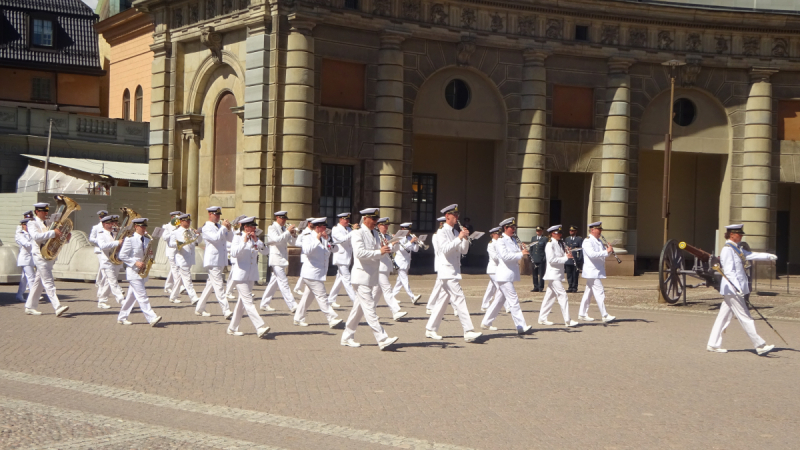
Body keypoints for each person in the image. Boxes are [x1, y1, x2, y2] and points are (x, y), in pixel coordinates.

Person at [707, 224, 776, 355]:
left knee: (722, 318)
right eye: (739, 234)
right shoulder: (727, 249)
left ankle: (713, 344)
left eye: (741, 234)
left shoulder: (736, 248)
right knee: (745, 317)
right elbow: (728, 271)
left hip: (732, 289)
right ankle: (760, 345)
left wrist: (768, 256)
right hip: (732, 289)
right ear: (731, 235)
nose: (741, 236)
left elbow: (750, 255)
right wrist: (736, 287)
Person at [340, 208, 399, 351]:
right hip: (360, 277)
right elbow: (359, 253)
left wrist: (387, 247)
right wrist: (379, 251)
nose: (375, 223)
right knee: (370, 308)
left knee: (358, 310)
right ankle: (382, 338)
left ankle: (347, 336)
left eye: (376, 220)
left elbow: (378, 253)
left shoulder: (376, 234)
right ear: (365, 218)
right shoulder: (357, 233)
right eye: (373, 220)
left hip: (371, 276)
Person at [424, 204, 482, 343]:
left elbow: (463, 251)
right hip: (446, 270)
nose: (457, 217)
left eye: (458, 215)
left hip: (453, 270)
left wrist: (465, 238)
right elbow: (445, 249)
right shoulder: (441, 232)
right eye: (454, 215)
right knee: (459, 299)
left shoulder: (455, 232)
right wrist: (459, 238)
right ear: (447, 216)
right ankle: (468, 331)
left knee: (442, 301)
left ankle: (431, 328)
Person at [481, 219, 533, 334]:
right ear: (505, 228)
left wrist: (521, 249)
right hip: (504, 274)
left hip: (510, 274)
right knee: (514, 301)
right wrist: (520, 254)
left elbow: (514, 253)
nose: (514, 230)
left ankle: (486, 322)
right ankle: (521, 326)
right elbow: (504, 256)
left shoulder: (513, 239)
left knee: (499, 300)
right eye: (512, 228)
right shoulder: (500, 241)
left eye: (514, 228)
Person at [293, 218, 344, 328]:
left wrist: (328, 240)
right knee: (322, 296)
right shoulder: (308, 237)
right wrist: (317, 239)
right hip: (311, 273)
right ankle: (332, 318)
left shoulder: (325, 238)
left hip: (319, 273)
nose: (325, 228)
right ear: (317, 227)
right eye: (323, 226)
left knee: (307, 297)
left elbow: (335, 249)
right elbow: (307, 250)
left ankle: (298, 318)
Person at [227, 217, 271, 339]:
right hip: (240, 275)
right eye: (252, 226)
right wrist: (244, 242)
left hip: (251, 274)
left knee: (242, 303)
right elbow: (234, 253)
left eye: (254, 226)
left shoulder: (254, 239)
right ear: (245, 227)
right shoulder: (237, 237)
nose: (254, 228)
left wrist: (257, 241)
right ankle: (259, 326)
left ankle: (232, 327)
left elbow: (265, 252)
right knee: (248, 302)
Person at [25, 202, 69, 317]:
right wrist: (52, 232)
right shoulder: (32, 223)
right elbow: (36, 237)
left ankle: (30, 306)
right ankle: (57, 307)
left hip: (48, 255)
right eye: (43, 211)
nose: (46, 213)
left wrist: (65, 237)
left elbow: (55, 238)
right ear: (37, 212)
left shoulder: (49, 223)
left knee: (38, 282)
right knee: (48, 281)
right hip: (39, 255)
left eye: (46, 211)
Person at [117, 218, 162, 326]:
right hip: (133, 272)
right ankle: (152, 317)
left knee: (131, 297)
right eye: (141, 226)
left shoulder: (146, 240)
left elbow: (147, 255)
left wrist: (150, 254)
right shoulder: (130, 239)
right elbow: (122, 255)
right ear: (136, 227)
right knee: (142, 296)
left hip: (142, 271)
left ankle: (122, 317)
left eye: (145, 226)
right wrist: (135, 263)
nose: (144, 229)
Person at [195, 206, 234, 319]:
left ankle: (199, 308)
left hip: (220, 259)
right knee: (219, 285)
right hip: (212, 260)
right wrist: (223, 228)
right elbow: (216, 238)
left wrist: (229, 229)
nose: (217, 217)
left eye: (218, 215)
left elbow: (230, 239)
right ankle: (226, 310)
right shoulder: (206, 227)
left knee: (210, 285)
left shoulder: (219, 226)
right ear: (210, 215)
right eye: (215, 215)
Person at [538, 225, 579, 327]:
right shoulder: (550, 244)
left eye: (561, 233)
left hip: (557, 273)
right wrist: (566, 258)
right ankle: (567, 320)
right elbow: (552, 260)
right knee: (562, 295)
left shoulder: (560, 243)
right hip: (553, 273)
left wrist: (567, 252)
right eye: (558, 233)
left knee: (550, 297)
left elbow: (560, 256)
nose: (560, 235)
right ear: (553, 234)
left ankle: (542, 318)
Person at [577, 222, 616, 323]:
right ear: (592, 230)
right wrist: (605, 251)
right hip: (592, 271)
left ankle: (582, 313)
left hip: (597, 270)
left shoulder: (598, 241)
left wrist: (609, 251)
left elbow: (602, 255)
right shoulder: (588, 241)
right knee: (600, 292)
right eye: (598, 230)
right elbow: (592, 254)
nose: (600, 232)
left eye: (600, 230)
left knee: (588, 293)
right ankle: (605, 315)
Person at [260, 211, 298, 312]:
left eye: (285, 219)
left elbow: (292, 242)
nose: (284, 221)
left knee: (274, 282)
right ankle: (293, 305)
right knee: (284, 282)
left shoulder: (284, 228)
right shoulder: (272, 227)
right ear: (277, 218)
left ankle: (264, 303)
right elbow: (277, 239)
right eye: (282, 218)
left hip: (282, 258)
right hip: (276, 259)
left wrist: (293, 235)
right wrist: (287, 232)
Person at [374, 217, 408, 321]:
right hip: (379, 266)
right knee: (387, 289)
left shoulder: (387, 236)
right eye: (384, 225)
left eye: (387, 225)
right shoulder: (376, 236)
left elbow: (395, 250)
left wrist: (396, 242)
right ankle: (395, 311)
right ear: (379, 225)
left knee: (376, 292)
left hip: (386, 266)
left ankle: (369, 311)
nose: (386, 227)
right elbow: (379, 250)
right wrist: (390, 244)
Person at [168, 214, 202, 304]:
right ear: (181, 222)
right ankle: (193, 297)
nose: (188, 222)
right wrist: (179, 244)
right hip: (181, 258)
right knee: (187, 278)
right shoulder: (176, 232)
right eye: (186, 221)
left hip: (190, 257)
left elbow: (198, 241)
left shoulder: (190, 231)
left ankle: (173, 296)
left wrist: (198, 235)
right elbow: (170, 244)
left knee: (180, 278)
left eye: (189, 221)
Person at [95, 215, 126, 308]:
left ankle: (102, 301)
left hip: (115, 260)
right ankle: (122, 300)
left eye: (112, 223)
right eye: (109, 223)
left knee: (108, 282)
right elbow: (103, 246)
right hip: (107, 261)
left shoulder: (114, 233)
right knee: (113, 282)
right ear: (104, 224)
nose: (111, 225)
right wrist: (117, 242)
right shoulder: (101, 234)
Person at [327, 212, 357, 309]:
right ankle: (356, 301)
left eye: (348, 220)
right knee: (347, 279)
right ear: (340, 219)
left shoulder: (348, 229)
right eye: (345, 219)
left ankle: (331, 299)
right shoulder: (336, 229)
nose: (347, 221)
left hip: (347, 257)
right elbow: (341, 240)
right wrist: (353, 231)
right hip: (340, 257)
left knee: (339, 279)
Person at [392, 222, 423, 304]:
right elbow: (402, 249)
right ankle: (412, 297)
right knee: (405, 280)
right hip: (400, 262)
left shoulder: (410, 238)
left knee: (399, 282)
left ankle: (391, 297)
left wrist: (416, 242)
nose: (409, 232)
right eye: (407, 230)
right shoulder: (399, 238)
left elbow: (415, 250)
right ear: (402, 229)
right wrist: (410, 242)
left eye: (409, 230)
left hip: (407, 262)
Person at [425, 216, 447, 314]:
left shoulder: (449, 234)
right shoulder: (436, 235)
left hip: (447, 263)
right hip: (441, 263)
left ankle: (432, 305)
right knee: (440, 285)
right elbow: (439, 250)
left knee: (445, 286)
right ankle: (430, 306)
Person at [162, 211, 185, 295]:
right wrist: (173, 231)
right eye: (176, 218)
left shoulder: (180, 226)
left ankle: (168, 286)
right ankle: (180, 286)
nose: (178, 220)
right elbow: (164, 237)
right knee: (175, 269)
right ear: (172, 218)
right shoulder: (168, 226)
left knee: (174, 269)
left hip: (178, 250)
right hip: (171, 250)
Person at [293, 218, 315, 296]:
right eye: (313, 223)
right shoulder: (304, 232)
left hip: (313, 254)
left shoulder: (314, 232)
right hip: (306, 255)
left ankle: (302, 288)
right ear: (309, 223)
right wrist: (306, 245)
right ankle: (297, 288)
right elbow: (297, 243)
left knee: (306, 273)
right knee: (304, 273)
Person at [88, 210, 109, 293]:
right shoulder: (96, 227)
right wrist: (100, 241)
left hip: (107, 249)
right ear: (99, 217)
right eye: (101, 217)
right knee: (104, 269)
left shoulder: (109, 227)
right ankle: (101, 287)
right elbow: (91, 238)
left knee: (102, 267)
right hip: (99, 250)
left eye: (104, 217)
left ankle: (98, 282)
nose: (102, 218)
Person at [15, 217, 35, 302]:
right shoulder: (20, 234)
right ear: (23, 225)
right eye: (26, 225)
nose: (28, 226)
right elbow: (27, 244)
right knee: (31, 278)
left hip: (30, 258)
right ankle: (33, 296)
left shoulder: (31, 233)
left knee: (24, 279)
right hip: (25, 259)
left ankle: (19, 295)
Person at [564, 226, 584, 293]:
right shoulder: (567, 239)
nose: (571, 232)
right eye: (570, 230)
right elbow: (565, 249)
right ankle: (570, 287)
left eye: (572, 231)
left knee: (575, 274)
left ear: (576, 231)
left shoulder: (579, 239)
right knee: (569, 274)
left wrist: (580, 259)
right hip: (568, 259)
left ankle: (574, 287)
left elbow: (581, 250)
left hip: (576, 259)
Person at [529, 226, 546, 292]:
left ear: (542, 231)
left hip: (541, 259)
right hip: (534, 258)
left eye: (539, 231)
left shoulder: (544, 239)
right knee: (534, 274)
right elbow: (531, 249)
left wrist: (544, 258)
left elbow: (546, 250)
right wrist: (531, 256)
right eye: (537, 230)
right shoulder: (533, 238)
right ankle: (535, 286)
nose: (538, 232)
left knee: (541, 274)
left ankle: (540, 287)